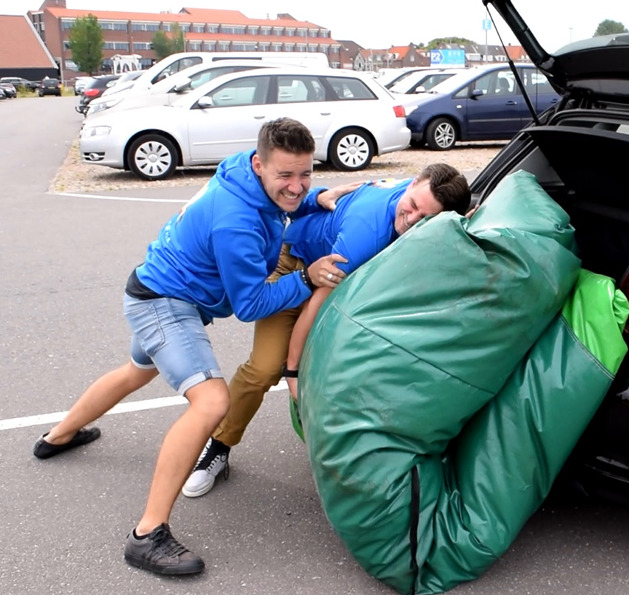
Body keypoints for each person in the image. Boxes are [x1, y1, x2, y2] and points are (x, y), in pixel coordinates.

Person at [31, 118, 354, 576]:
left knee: (135, 371)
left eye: (305, 173)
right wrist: (306, 276)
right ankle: (147, 534)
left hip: (153, 287)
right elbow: (252, 304)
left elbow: (289, 194)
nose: (296, 185)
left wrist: (311, 196)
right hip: (164, 304)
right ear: (260, 164)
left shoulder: (244, 174)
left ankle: (57, 436)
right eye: (286, 176)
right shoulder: (236, 221)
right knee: (211, 401)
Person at [181, 163, 472, 499]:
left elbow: (375, 187)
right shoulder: (367, 233)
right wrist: (293, 370)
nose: (410, 221)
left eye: (425, 218)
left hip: (339, 275)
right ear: (415, 182)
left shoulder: (418, 189)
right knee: (264, 368)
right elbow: (319, 297)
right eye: (412, 207)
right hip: (296, 270)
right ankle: (218, 446)